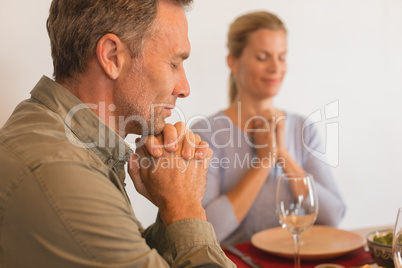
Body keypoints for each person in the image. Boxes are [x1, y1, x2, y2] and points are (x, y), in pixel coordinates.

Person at [0, 0, 235, 267]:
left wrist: (173, 201)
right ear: (112, 57)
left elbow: (130, 251)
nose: (184, 88)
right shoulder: (61, 171)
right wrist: (186, 208)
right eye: (174, 64)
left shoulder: (64, 138)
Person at [191, 11, 346, 245]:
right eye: (263, 57)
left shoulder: (303, 128)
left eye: (281, 57)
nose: (276, 67)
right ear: (233, 61)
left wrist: (282, 154)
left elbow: (333, 216)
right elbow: (206, 231)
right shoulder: (206, 133)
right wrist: (264, 162)